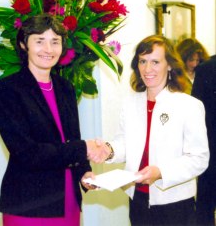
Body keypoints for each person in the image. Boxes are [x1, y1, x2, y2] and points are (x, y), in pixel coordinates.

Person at [92, 35, 209, 226]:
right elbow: (125, 143)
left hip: (175, 203)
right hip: (137, 199)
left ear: (169, 65)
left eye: (155, 62)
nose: (147, 69)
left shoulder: (189, 105)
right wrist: (109, 150)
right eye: (142, 61)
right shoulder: (131, 103)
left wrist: (161, 172)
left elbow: (199, 158)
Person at [0, 13, 97, 226]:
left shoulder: (65, 88)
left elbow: (72, 138)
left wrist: (85, 172)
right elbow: (27, 153)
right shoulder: (7, 90)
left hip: (67, 200)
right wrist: (84, 148)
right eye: (39, 41)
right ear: (23, 44)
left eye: (55, 42)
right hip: (28, 203)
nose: (48, 49)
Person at [192, 55, 216, 226]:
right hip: (210, 154)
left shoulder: (205, 68)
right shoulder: (207, 69)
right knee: (205, 210)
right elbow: (196, 118)